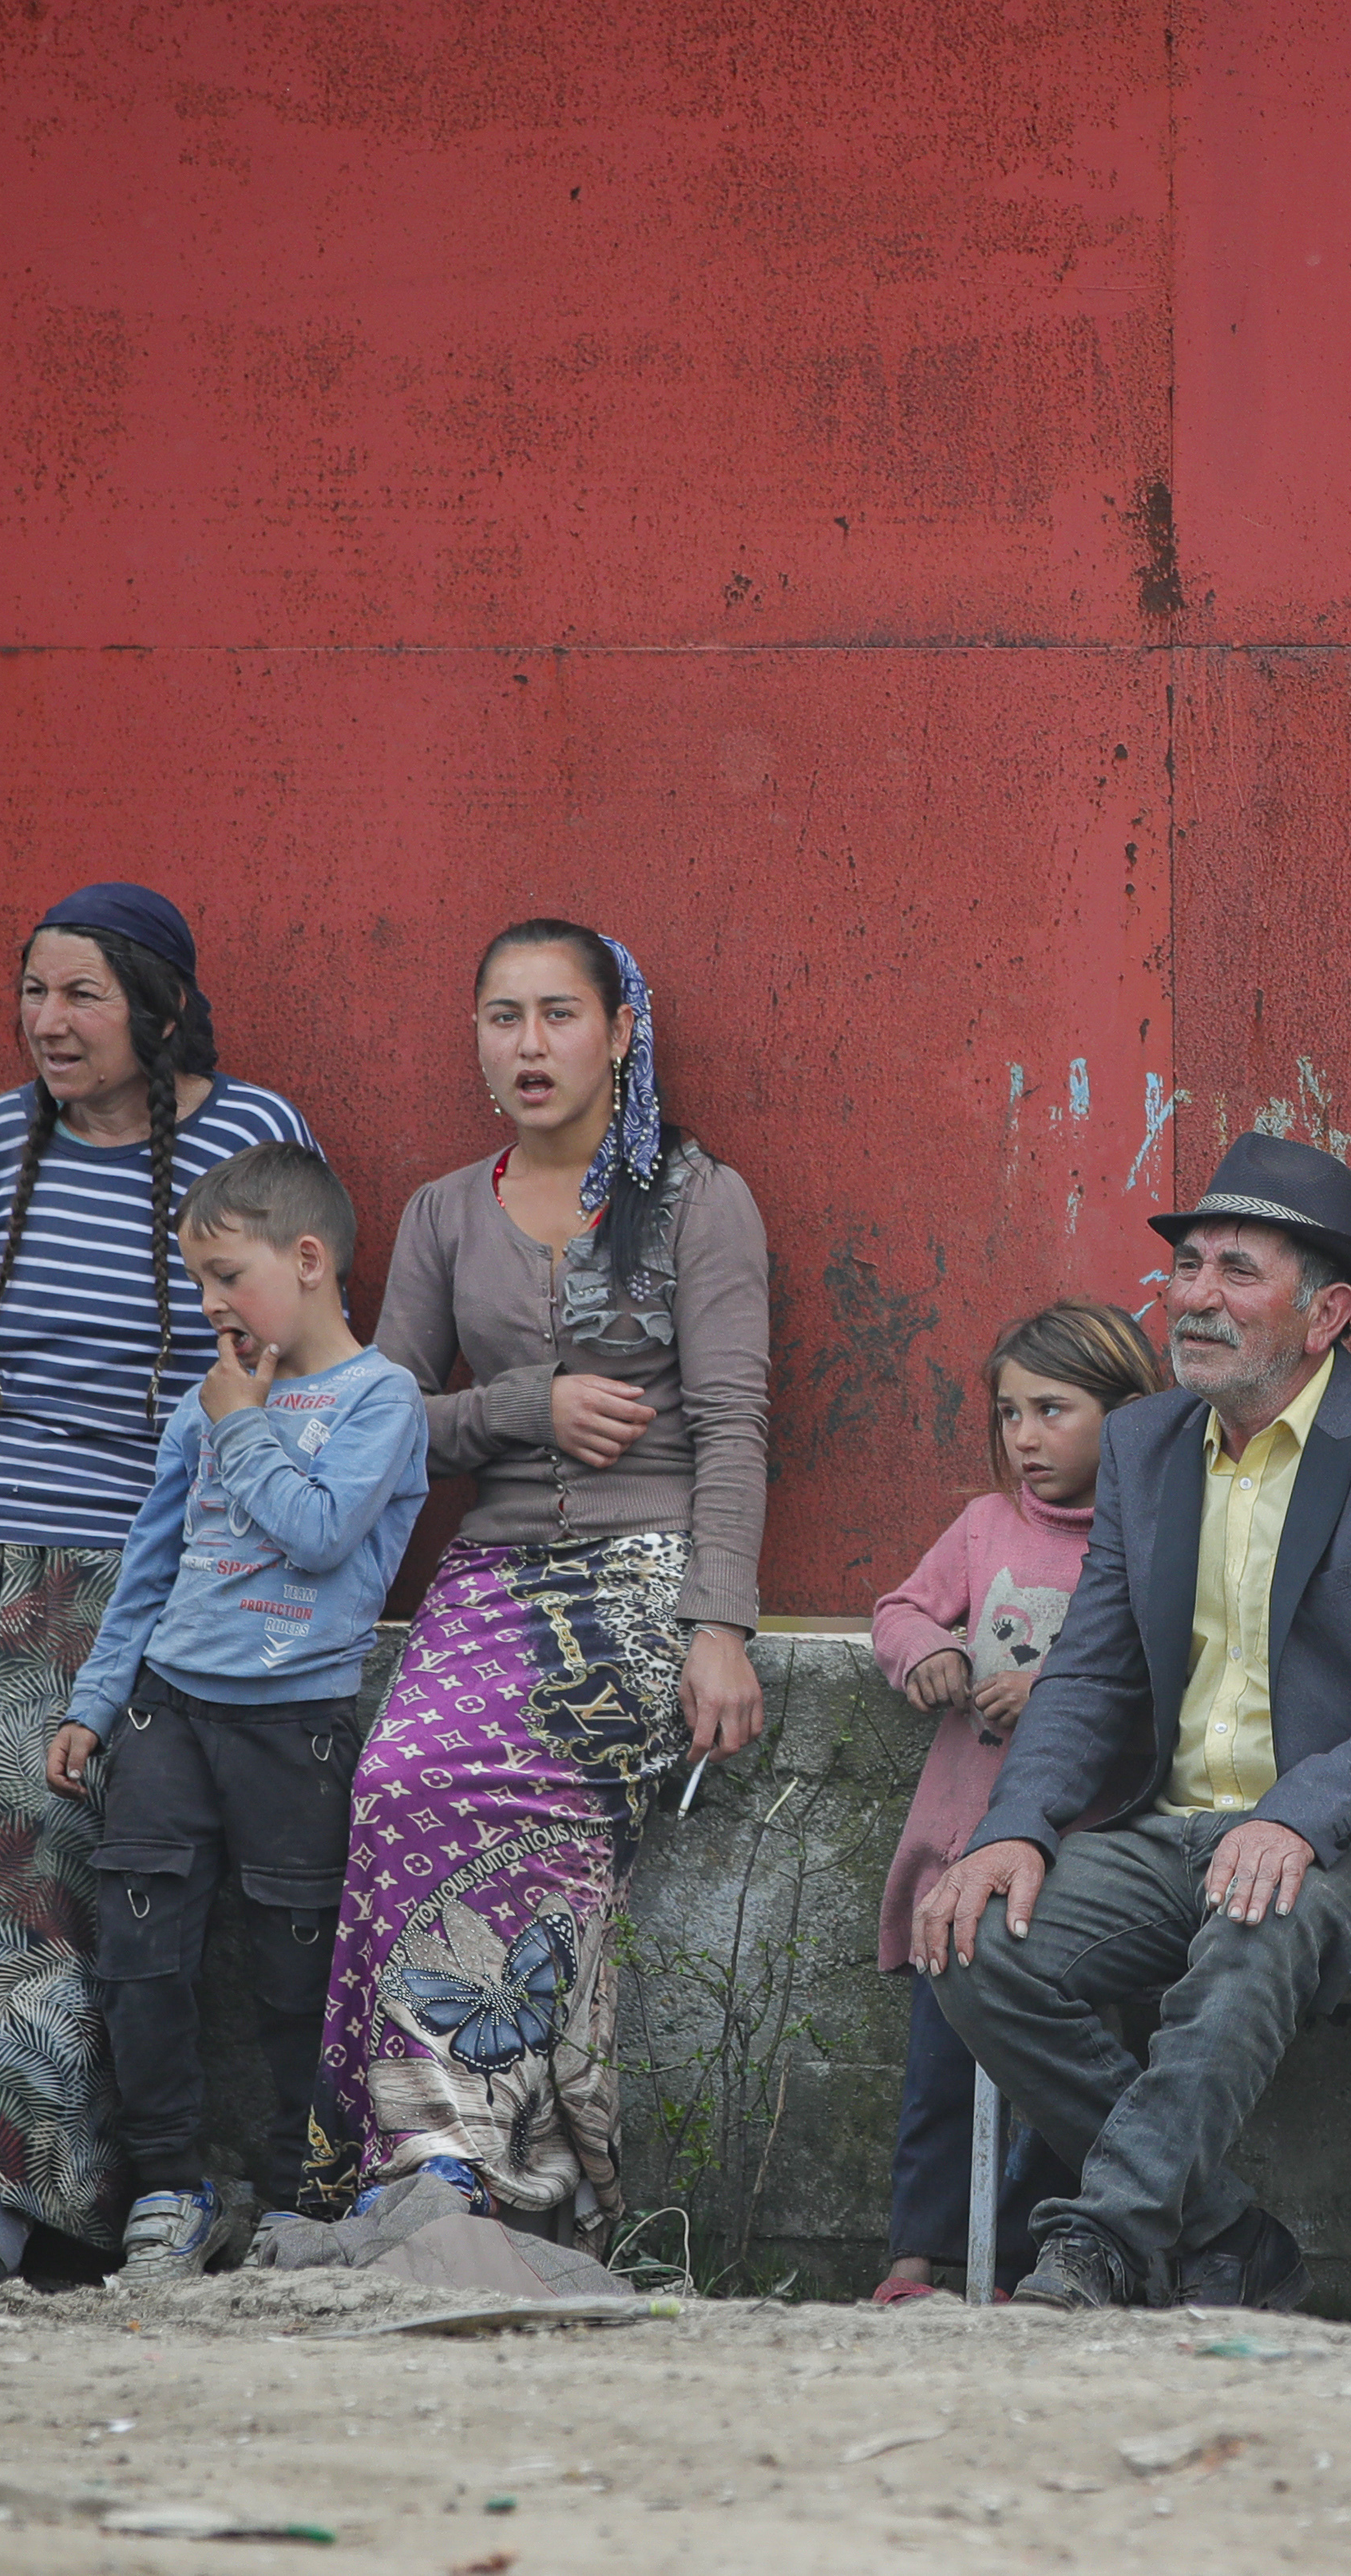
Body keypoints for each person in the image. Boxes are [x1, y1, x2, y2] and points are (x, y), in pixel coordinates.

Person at [913, 1132, 1351, 2316]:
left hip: (1348, 1845)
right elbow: (1088, 1672)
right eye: (1186, 1267)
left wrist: (1300, 1813)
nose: (1194, 1297)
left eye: (1237, 1270)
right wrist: (1013, 1824)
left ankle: (1097, 2244)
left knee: (1255, 1913)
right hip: (1167, 1829)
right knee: (978, 1935)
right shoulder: (1147, 1444)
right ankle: (1229, 2237)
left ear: (1327, 1310)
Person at [0, 884, 319, 2290]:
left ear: (160, 1007)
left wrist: (207, 1592)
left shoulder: (249, 1138)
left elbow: (278, 1373)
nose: (50, 1021)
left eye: (84, 993)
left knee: (47, 1884)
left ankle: (9, 2197)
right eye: (34, 990)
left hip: (118, 1562)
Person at [317, 920, 771, 2233]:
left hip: (647, 1572)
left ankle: (490, 2164)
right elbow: (382, 1417)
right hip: (492, 1568)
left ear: (620, 1032)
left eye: (558, 1015)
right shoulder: (445, 1212)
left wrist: (720, 1626)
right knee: (400, 1784)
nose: (530, 1044)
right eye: (503, 1017)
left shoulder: (701, 1199)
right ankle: (424, 2162)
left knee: (532, 1817)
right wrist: (524, 1404)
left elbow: (737, 1421)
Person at [47, 1142, 434, 2284]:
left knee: (294, 1968)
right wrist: (95, 1701)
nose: (210, 1303)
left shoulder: (381, 1399)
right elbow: (150, 1565)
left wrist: (241, 1422)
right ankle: (170, 2187)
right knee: (140, 1952)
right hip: (168, 1714)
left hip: (295, 1729)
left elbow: (319, 1533)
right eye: (201, 1281)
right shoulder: (205, 1405)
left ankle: (297, 2193)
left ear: (308, 1260)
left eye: (227, 1275)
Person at [863, 1296, 1167, 2303]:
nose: (1025, 1438)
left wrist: (1059, 1691)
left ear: (1127, 1415)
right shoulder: (985, 1525)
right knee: (940, 2073)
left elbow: (1158, 1681)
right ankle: (915, 2263)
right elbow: (899, 1608)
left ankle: (1033, 2265)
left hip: (1079, 1862)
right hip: (960, 1842)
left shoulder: (1150, 1542)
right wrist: (932, 1653)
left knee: (1055, 2081)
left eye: (1053, 1410)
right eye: (1008, 1413)